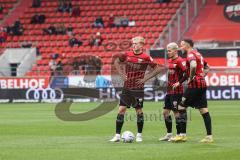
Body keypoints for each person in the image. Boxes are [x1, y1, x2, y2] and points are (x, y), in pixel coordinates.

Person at [109, 36, 158, 142]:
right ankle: (117, 135)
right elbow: (116, 62)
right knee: (121, 109)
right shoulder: (127, 54)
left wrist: (146, 78)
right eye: (133, 43)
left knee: (138, 110)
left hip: (138, 88)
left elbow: (157, 68)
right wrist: (122, 74)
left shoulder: (146, 57)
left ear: (141, 44)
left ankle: (139, 135)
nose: (134, 45)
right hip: (127, 87)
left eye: (135, 43)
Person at [171, 39, 213, 143]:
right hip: (202, 84)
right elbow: (207, 67)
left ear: (186, 45)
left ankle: (182, 135)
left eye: (181, 45)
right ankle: (209, 137)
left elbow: (193, 65)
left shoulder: (190, 55)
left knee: (181, 106)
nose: (180, 48)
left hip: (195, 85)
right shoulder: (198, 54)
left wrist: (192, 76)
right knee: (203, 109)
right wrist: (202, 75)